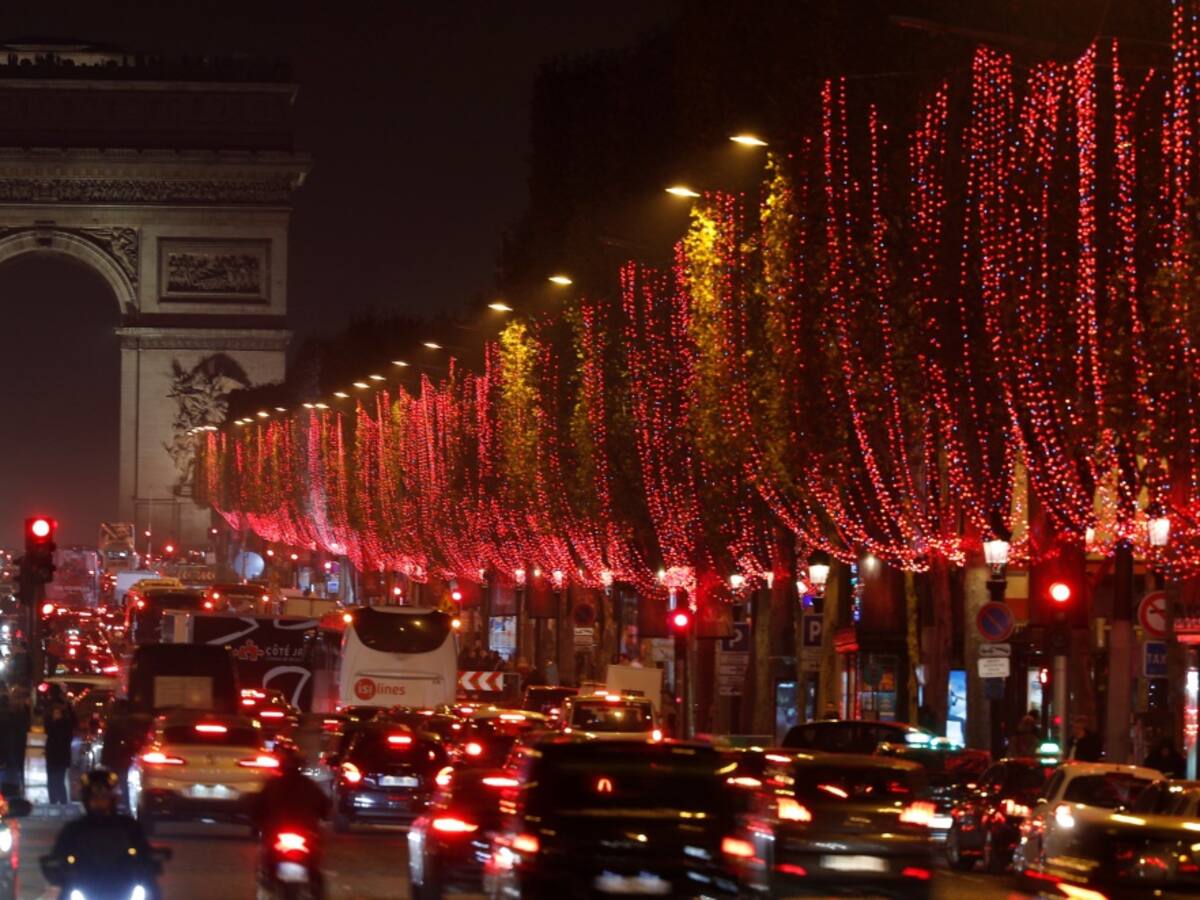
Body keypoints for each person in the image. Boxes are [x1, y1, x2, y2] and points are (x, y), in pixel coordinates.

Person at [47, 769, 159, 892]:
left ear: (113, 799)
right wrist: (56, 864)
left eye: (104, 797)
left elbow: (145, 852)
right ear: (86, 800)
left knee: (150, 889)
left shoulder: (129, 826)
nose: (99, 801)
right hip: (85, 882)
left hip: (124, 881)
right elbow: (58, 854)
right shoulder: (74, 828)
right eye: (95, 797)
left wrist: (150, 859)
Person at [251, 743, 330, 898]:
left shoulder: (272, 785)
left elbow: (256, 807)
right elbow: (325, 806)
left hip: (282, 832)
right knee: (314, 872)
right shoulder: (309, 786)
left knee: (268, 862)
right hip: (300, 832)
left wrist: (256, 823)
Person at [44, 696, 76, 805]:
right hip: (55, 757)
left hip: (59, 757)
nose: (56, 714)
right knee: (54, 781)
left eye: (57, 712)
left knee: (57, 780)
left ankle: (59, 801)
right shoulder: (53, 724)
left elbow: (72, 723)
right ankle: (57, 801)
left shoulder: (64, 725)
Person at [8, 686, 30, 795]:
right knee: (16, 770)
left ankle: (15, 792)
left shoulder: (20, 709)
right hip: (15, 744)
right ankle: (16, 792)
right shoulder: (21, 710)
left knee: (15, 770)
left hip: (16, 744)